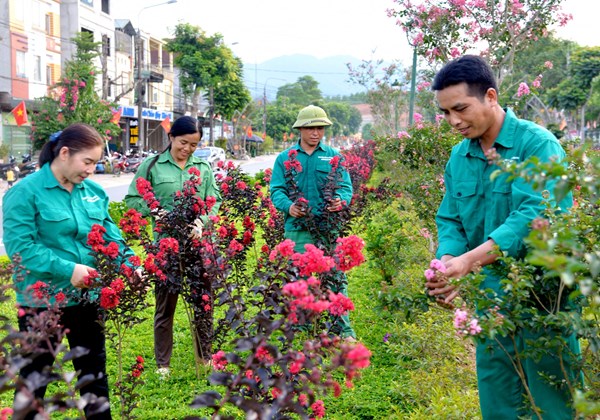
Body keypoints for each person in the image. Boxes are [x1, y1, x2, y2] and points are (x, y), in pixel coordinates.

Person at [425, 55, 579, 419]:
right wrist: (448, 260)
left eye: (460, 109)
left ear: (490, 96)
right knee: (498, 401)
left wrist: (469, 261)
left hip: (543, 296)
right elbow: (450, 219)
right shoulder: (459, 157)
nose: (454, 121)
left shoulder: (536, 146)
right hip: (490, 300)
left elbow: (535, 215)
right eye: (446, 113)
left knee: (552, 400)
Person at [3, 123, 131, 419]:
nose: (92, 169)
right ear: (64, 153)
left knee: (94, 378)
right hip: (43, 303)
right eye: (87, 161)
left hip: (87, 300)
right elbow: (21, 248)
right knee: (34, 381)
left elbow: (111, 235)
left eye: (96, 163)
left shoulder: (93, 192)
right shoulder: (25, 193)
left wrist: (130, 264)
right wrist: (69, 269)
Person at [124, 116, 221, 377]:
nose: (188, 148)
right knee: (165, 306)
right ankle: (163, 366)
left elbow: (215, 201)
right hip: (165, 248)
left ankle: (205, 358)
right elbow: (132, 198)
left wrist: (203, 222)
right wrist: (154, 210)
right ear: (171, 138)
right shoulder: (152, 165)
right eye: (183, 142)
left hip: (197, 247)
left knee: (203, 303)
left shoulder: (203, 167)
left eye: (194, 144)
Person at [270, 105, 356, 340]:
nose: (315, 133)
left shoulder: (334, 156)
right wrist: (289, 207)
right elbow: (276, 190)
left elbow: (345, 187)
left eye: (319, 128)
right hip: (297, 229)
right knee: (299, 276)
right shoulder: (285, 158)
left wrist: (341, 201)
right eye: (310, 128)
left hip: (328, 228)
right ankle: (301, 326)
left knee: (336, 278)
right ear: (300, 129)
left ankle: (342, 328)